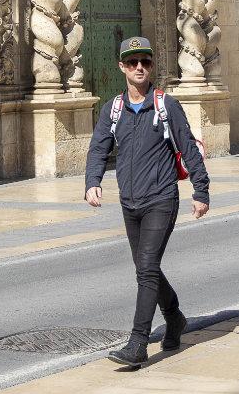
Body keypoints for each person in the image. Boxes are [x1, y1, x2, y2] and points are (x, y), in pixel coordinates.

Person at [85, 37, 210, 369]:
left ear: (152, 66)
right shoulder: (114, 109)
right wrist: (92, 182)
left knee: (147, 270)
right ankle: (175, 317)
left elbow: (189, 148)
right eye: (132, 62)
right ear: (122, 67)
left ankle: (138, 343)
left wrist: (201, 192)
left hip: (161, 198)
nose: (139, 67)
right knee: (146, 267)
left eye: (146, 62)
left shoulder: (166, 105)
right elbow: (99, 147)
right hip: (130, 202)